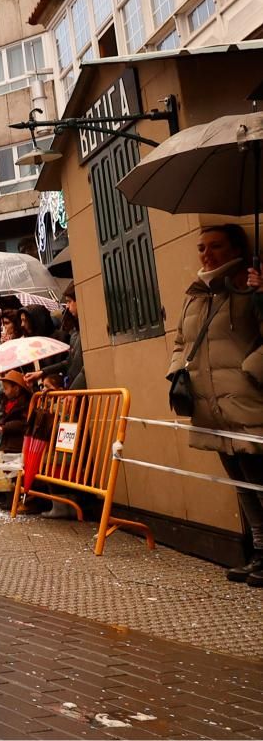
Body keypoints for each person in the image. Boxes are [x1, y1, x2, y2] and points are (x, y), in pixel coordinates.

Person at [167, 224, 263, 586]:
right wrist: (178, 374)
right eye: (202, 248)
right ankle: (259, 553)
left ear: (235, 248)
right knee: (242, 484)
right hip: (212, 408)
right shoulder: (196, 293)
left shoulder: (249, 287)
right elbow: (180, 341)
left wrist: (249, 373)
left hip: (247, 404)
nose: (207, 254)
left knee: (258, 480)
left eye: (216, 246)